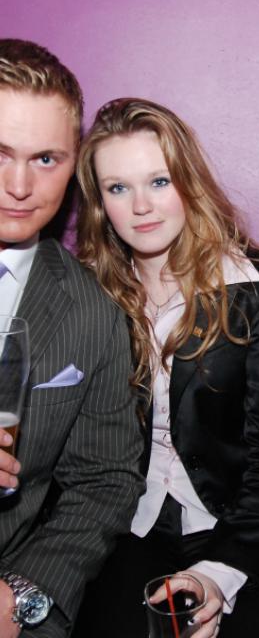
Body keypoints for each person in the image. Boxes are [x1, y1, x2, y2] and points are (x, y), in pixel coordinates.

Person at [71, 97, 259, 638]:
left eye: (158, 182)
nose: (141, 206)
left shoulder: (257, 286)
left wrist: (217, 573)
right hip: (126, 525)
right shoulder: (87, 292)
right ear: (99, 202)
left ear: (188, 181)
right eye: (118, 188)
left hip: (240, 525)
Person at [0, 39, 145, 637]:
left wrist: (22, 595)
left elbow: (105, 481)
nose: (18, 185)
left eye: (45, 159)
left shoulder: (93, 311)